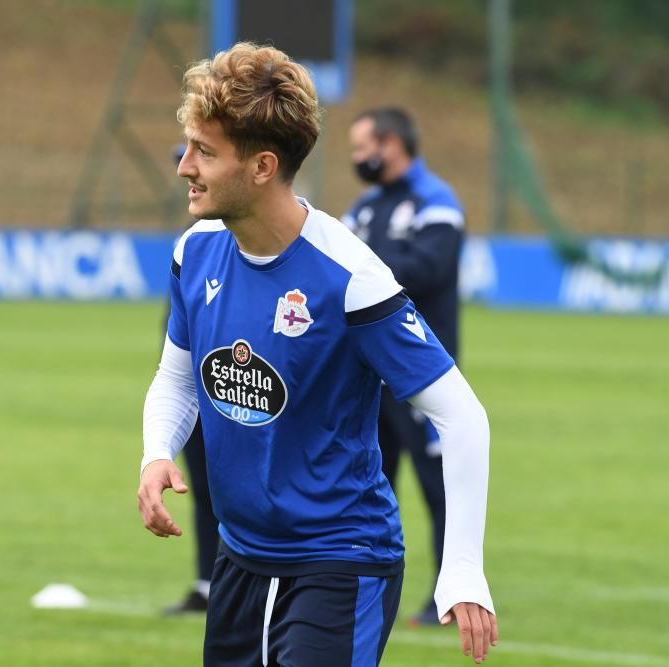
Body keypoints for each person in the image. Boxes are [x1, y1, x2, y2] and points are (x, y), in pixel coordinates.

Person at [137, 43, 497, 666]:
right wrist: (156, 454)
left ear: (262, 166)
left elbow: (463, 416)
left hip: (341, 562)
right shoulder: (193, 253)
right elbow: (177, 379)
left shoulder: (350, 276)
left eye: (205, 152)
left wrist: (462, 568)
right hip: (240, 559)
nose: (183, 167)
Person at [342, 107, 466, 627]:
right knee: (363, 488)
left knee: (440, 489)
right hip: (367, 378)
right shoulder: (365, 207)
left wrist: (365, 273)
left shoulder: (435, 200)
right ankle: (357, 594)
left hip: (419, 375)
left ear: (391, 143)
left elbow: (432, 269)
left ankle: (449, 599)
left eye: (361, 147)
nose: (356, 159)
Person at [162, 144, 221, 616]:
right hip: (198, 385)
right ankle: (207, 582)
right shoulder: (194, 242)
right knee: (201, 486)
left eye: (202, 157)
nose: (186, 171)